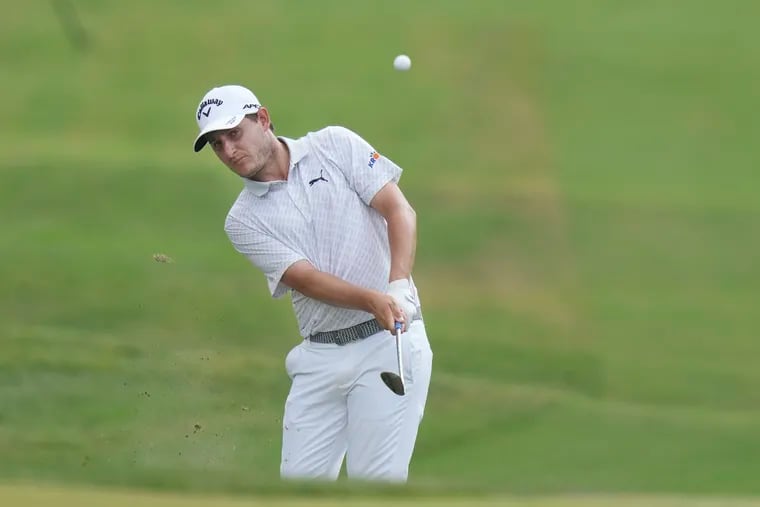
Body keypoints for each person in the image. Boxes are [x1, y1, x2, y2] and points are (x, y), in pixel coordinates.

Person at [192, 84, 433, 482]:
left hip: (387, 346)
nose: (229, 151)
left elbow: (398, 209)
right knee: (298, 492)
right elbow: (305, 279)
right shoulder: (242, 220)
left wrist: (399, 286)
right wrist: (373, 299)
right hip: (319, 359)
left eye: (234, 134)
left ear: (263, 120)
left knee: (374, 486)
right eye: (217, 144)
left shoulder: (334, 146)